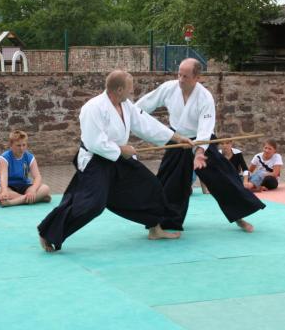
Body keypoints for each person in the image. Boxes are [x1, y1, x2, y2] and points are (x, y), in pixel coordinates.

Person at [37, 70, 194, 252]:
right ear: (119, 89)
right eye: (130, 88)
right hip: (97, 160)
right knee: (93, 205)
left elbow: (146, 124)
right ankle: (48, 232)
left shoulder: (126, 105)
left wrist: (176, 138)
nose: (132, 91)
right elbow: (95, 141)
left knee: (151, 185)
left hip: (119, 158)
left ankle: (155, 229)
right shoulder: (93, 107)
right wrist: (120, 149)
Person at [136, 58, 266, 233]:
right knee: (169, 182)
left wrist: (199, 152)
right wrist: (129, 117)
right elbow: (142, 106)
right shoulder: (169, 88)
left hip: (201, 140)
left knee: (223, 179)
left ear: (197, 77)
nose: (181, 79)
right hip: (177, 141)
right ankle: (166, 222)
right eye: (179, 74)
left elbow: (205, 129)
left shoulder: (205, 97)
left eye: (186, 76)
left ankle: (239, 217)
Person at [0, 130, 51, 207]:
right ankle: (36, 199)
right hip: (9, 186)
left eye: (24, 145)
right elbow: (3, 177)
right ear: (11, 145)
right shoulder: (4, 158)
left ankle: (12, 202)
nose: (21, 148)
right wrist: (4, 191)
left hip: (24, 185)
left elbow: (37, 177)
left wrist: (33, 189)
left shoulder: (29, 157)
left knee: (45, 188)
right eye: (18, 145)